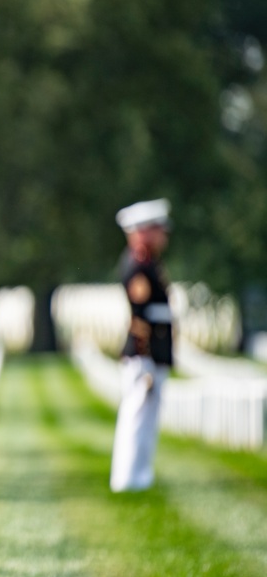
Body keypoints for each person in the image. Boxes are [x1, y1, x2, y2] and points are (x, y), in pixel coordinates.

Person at [110, 198, 173, 493]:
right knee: (137, 416)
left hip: (153, 353)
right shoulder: (138, 266)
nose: (163, 235)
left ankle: (140, 476)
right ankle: (128, 479)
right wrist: (148, 355)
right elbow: (140, 316)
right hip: (144, 354)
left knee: (146, 418)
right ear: (143, 232)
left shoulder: (149, 264)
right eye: (157, 229)